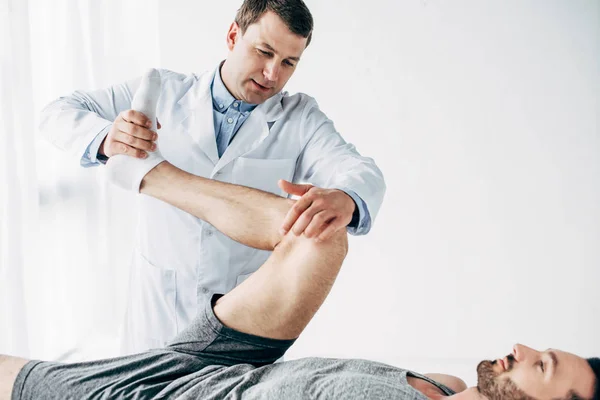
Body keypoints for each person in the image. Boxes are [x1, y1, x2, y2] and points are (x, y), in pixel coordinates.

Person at [2, 160, 598, 400]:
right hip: (235, 360)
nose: (520, 348)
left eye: (539, 365)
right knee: (322, 230)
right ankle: (141, 172)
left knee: (20, 380)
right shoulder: (440, 385)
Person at [38, 0, 386, 354]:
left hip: (241, 317)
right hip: (160, 307)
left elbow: (358, 169)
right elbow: (57, 112)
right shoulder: (164, 91)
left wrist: (346, 196)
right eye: (264, 52)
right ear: (234, 35)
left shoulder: (299, 119)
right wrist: (107, 138)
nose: (272, 74)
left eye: (288, 63)